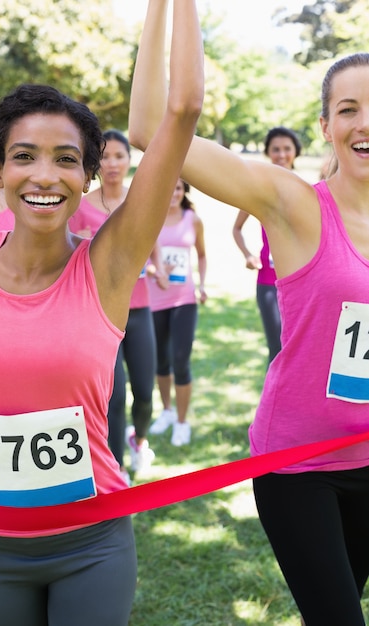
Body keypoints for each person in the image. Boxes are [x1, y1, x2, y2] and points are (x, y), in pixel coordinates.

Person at [0, 0, 203, 623]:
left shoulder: (109, 265)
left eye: (67, 158)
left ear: (89, 176)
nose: (45, 174)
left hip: (91, 542)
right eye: (25, 155)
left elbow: (183, 109)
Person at [129, 7, 369, 623]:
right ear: (324, 126)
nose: (365, 123)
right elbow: (152, 128)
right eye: (348, 109)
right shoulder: (292, 203)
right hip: (301, 464)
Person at [70, 129, 167, 481]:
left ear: (130, 161)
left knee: (144, 391)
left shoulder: (140, 200)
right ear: (96, 163)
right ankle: (116, 468)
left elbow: (150, 244)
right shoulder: (80, 208)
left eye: (119, 156)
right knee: (112, 398)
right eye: (105, 157)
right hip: (100, 313)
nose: (112, 164)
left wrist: (156, 269)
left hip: (139, 311)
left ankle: (139, 441)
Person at [232, 127, 302, 365]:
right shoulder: (259, 191)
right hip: (268, 283)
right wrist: (248, 255)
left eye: (286, 149)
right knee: (278, 351)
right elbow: (236, 228)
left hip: (302, 282)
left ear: (296, 152)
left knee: (302, 351)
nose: (281, 155)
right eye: (275, 149)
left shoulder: (310, 191)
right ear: (268, 153)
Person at [148, 178, 207, 446]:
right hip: (155, 299)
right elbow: (141, 255)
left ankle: (182, 423)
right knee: (161, 362)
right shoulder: (152, 217)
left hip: (184, 300)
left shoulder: (192, 219)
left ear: (184, 193)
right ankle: (167, 412)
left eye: (179, 188)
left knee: (180, 361)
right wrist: (155, 270)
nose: (174, 192)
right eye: (169, 187)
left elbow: (202, 255)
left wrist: (203, 284)